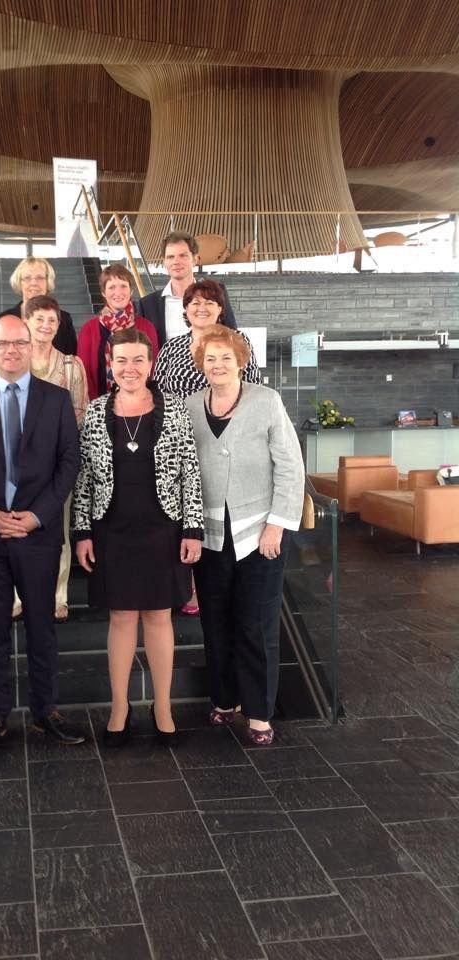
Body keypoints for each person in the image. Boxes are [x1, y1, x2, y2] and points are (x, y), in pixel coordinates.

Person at [0, 314, 84, 756]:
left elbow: (69, 462)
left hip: (38, 535)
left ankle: (46, 711)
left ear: (30, 347)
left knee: (42, 627)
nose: (11, 350)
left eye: (19, 343)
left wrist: (38, 515)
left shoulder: (56, 398)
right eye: (3, 343)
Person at [73, 327, 204, 747]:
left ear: (151, 364)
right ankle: (120, 707)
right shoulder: (96, 411)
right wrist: (81, 531)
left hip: (163, 528)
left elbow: (190, 471)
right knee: (121, 618)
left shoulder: (174, 408)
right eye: (122, 360)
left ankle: (162, 707)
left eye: (138, 360)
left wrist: (193, 528)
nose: (130, 368)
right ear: (109, 364)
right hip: (111, 530)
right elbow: (84, 477)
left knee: (160, 617)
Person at [186, 325, 305, 745]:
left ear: (241, 362)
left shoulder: (266, 401)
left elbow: (290, 467)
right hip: (210, 536)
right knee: (215, 622)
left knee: (256, 624)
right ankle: (224, 699)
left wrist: (277, 524)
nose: (218, 365)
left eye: (226, 357)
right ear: (201, 365)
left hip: (260, 534)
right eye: (210, 359)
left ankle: (259, 713)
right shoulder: (189, 406)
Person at [153, 278, 260, 615]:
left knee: (216, 512)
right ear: (185, 309)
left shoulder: (237, 342)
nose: (201, 308)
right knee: (183, 513)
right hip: (179, 444)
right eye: (194, 302)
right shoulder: (171, 348)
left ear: (220, 308)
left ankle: (209, 587)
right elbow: (157, 396)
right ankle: (186, 584)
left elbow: (252, 391)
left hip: (225, 442)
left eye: (209, 302)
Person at [15, 294, 88, 622]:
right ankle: (18, 595)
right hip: (17, 463)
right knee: (17, 527)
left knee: (58, 529)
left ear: (59, 325)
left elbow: (80, 413)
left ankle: (58, 596)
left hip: (58, 462)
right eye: (39, 319)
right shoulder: (14, 361)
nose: (45, 326)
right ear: (26, 322)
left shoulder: (72, 365)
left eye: (52, 320)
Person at [77, 264, 159, 400]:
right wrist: (96, 405)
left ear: (131, 291)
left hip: (140, 402)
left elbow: (153, 368)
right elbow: (83, 374)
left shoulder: (147, 327)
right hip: (99, 405)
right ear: (103, 293)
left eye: (123, 286)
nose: (118, 292)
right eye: (112, 287)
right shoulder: (88, 330)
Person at [139, 231, 237, 345]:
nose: (176, 262)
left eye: (183, 256)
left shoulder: (216, 293)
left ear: (195, 259)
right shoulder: (147, 305)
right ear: (164, 262)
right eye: (170, 257)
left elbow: (233, 337)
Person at [0, 256, 77, 355]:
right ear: (19, 282)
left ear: (48, 281)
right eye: (27, 278)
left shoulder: (64, 319)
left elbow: (70, 357)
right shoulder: (3, 319)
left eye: (39, 278)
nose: (33, 283)